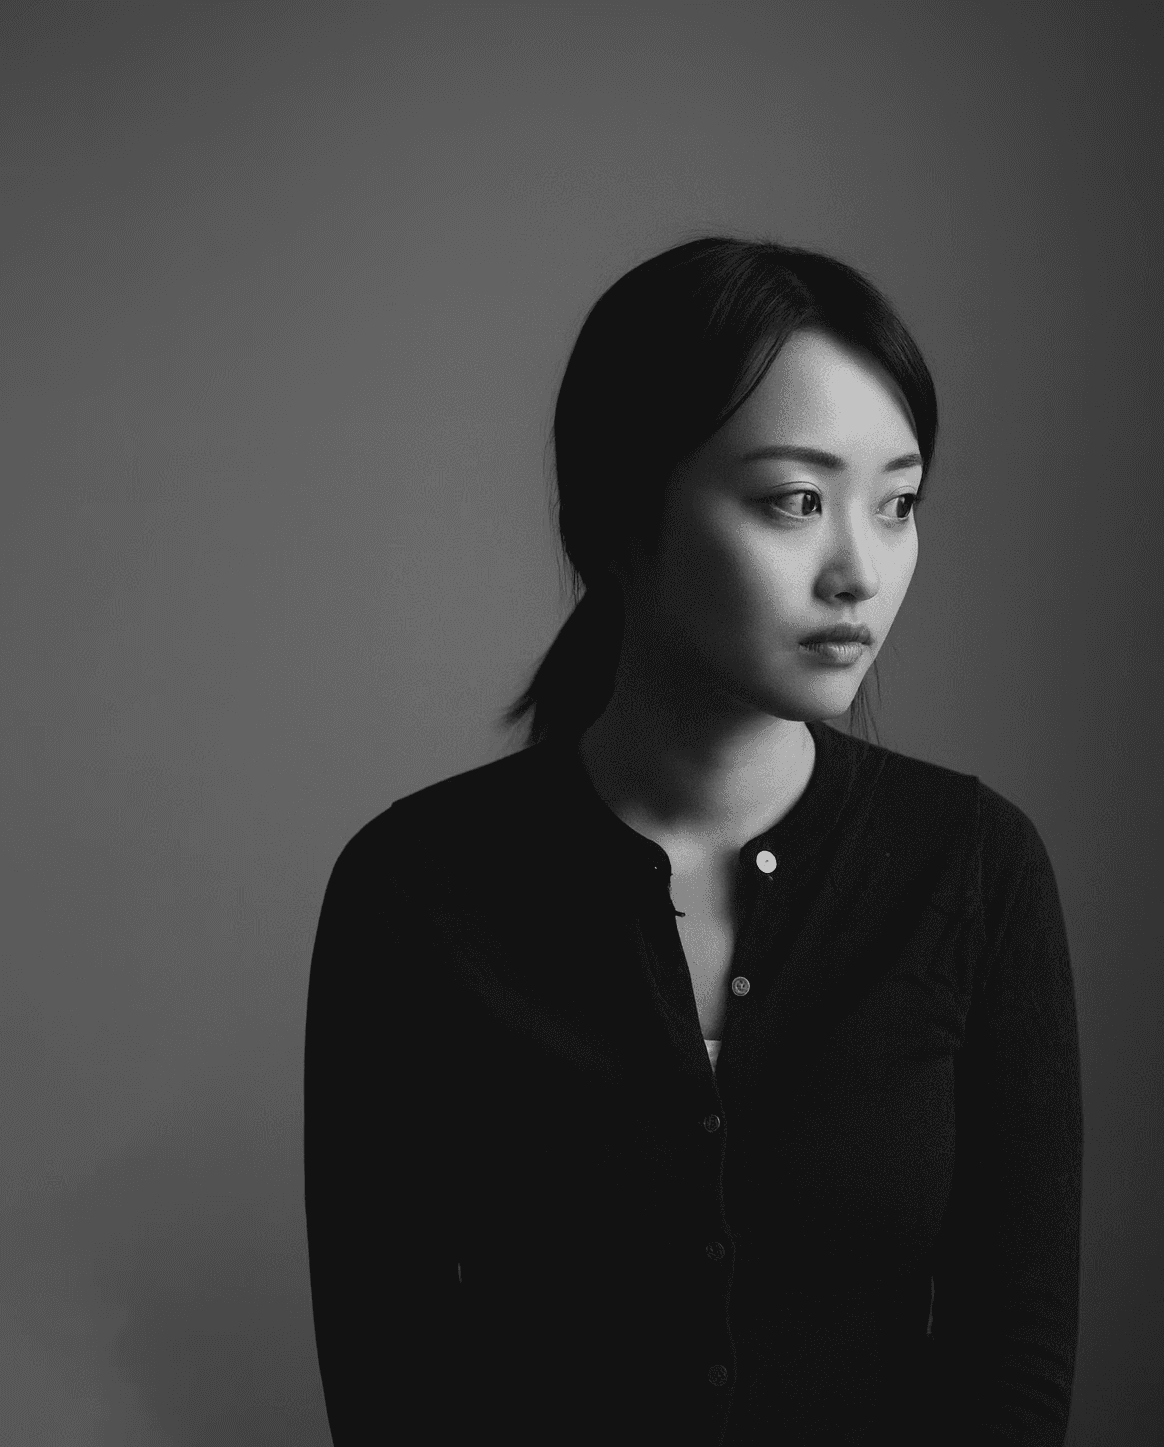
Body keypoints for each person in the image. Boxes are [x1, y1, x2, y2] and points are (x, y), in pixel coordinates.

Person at [304, 237, 1082, 1444]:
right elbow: (388, 1371)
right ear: (621, 516)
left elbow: (1010, 1358)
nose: (860, 570)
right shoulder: (415, 891)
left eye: (899, 503)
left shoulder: (971, 869)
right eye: (794, 501)